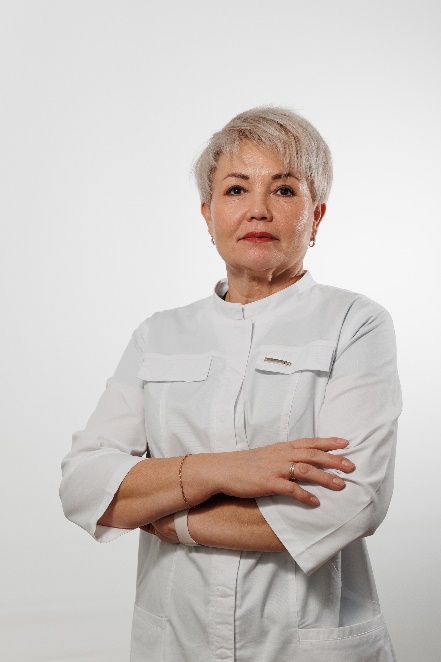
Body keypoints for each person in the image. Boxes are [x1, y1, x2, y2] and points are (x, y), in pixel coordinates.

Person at [60, 106, 402, 662]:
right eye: (237, 189)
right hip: (175, 640)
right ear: (208, 213)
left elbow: (352, 502)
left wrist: (172, 518)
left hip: (307, 643)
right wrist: (223, 470)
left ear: (316, 216)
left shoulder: (354, 323)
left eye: (284, 190)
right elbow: (82, 486)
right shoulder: (158, 334)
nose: (258, 209)